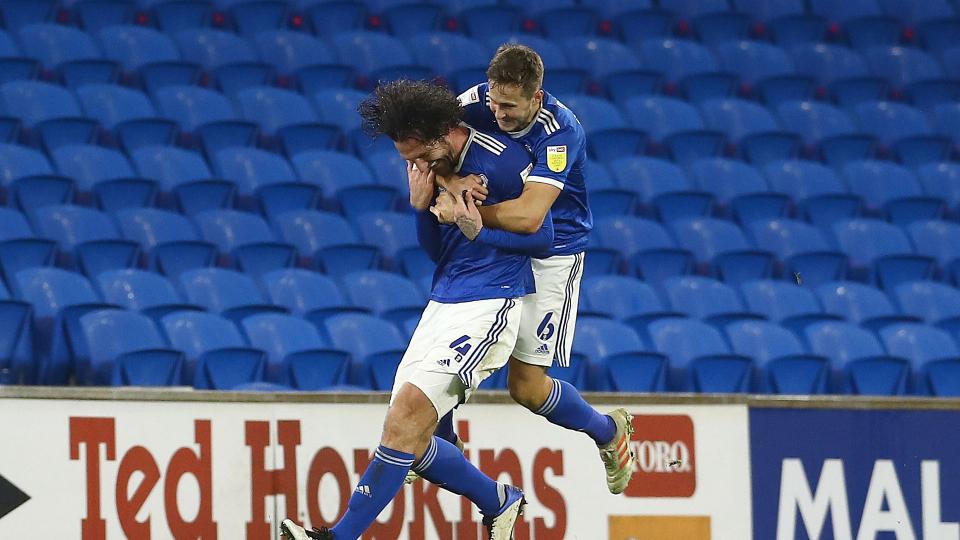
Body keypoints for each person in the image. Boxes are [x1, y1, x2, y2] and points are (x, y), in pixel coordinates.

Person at [280, 79, 555, 540]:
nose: (415, 166)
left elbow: (543, 239)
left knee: (407, 417)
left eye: (420, 157)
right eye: (406, 159)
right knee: (406, 433)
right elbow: (437, 251)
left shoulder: (503, 163)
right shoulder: (434, 166)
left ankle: (338, 536)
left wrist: (478, 228)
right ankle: (498, 501)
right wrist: (420, 206)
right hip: (444, 299)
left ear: (446, 132)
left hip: (493, 300)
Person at [430, 44, 637, 496]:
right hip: (492, 241)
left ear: (536, 99)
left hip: (553, 253)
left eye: (510, 106)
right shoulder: (475, 102)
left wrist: (464, 211)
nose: (499, 113)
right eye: (495, 102)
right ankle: (436, 436)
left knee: (525, 387)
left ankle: (607, 431)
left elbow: (529, 217)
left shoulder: (562, 131)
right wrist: (452, 182)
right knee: (450, 329)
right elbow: (430, 148)